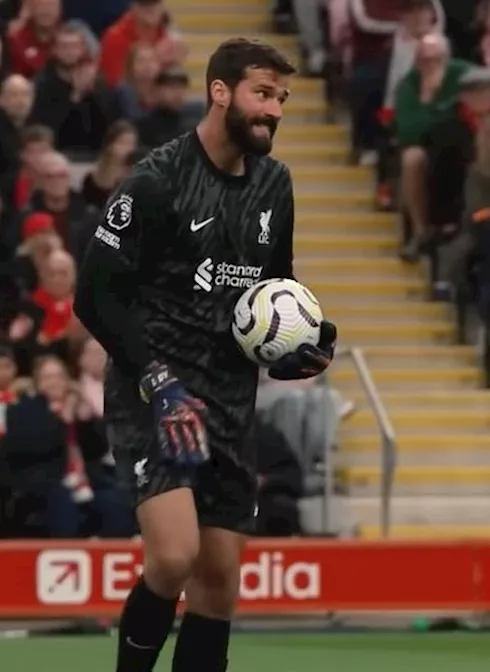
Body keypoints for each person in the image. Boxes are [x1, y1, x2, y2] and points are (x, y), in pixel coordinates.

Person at [75, 38, 337, 672]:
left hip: (228, 398)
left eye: (281, 98)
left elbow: (275, 291)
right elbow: (95, 295)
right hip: (155, 392)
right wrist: (158, 380)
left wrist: (301, 348)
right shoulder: (157, 179)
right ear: (220, 92)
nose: (273, 109)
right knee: (172, 557)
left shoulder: (275, 184)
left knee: (219, 580)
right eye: (261, 94)